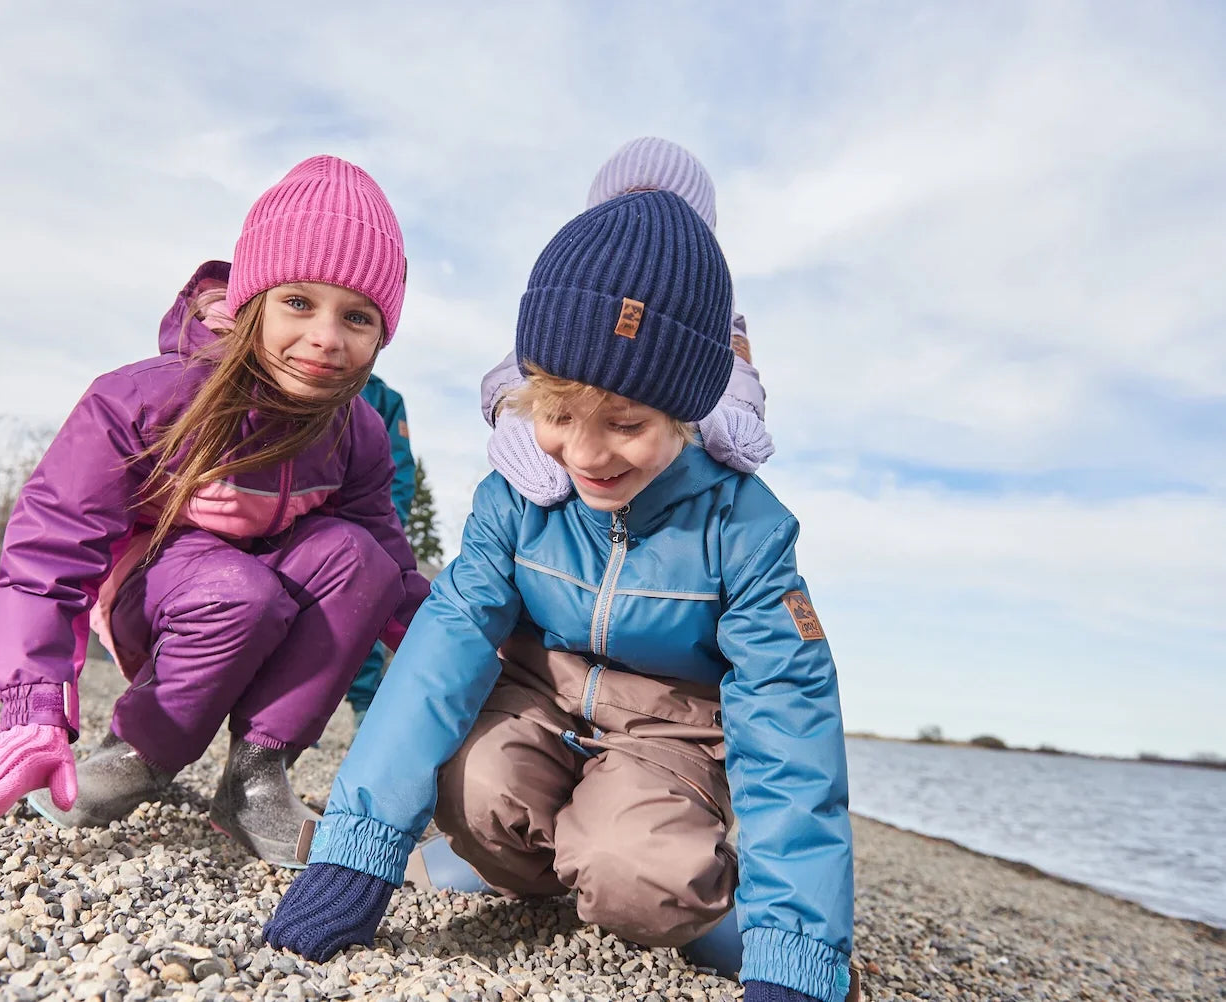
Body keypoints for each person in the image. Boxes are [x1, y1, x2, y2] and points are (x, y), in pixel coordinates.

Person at [265, 191, 856, 1002]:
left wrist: (797, 954)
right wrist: (354, 848)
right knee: (469, 791)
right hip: (541, 703)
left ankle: (706, 901)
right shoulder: (519, 498)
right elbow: (443, 647)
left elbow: (791, 731)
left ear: (687, 414)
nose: (585, 452)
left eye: (625, 423)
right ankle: (545, 872)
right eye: (558, 413)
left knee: (638, 878)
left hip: (665, 734)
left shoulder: (745, 530)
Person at [0, 156, 429, 867]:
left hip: (270, 603)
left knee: (361, 560)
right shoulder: (146, 401)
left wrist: (483, 667)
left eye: (356, 316)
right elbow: (50, 549)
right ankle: (139, 752)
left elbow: (394, 571)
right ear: (254, 298)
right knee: (241, 591)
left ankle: (257, 777)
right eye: (298, 302)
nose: (327, 336)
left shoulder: (358, 430)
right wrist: (33, 710)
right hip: (161, 599)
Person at [481, 137, 775, 507]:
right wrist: (516, 404)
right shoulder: (574, 288)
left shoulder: (708, 303)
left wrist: (734, 409)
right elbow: (534, 358)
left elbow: (731, 362)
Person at [345, 372, 416, 726]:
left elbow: (401, 469)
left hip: (370, 525)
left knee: (368, 615)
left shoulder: (385, 398)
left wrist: (390, 522)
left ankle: (365, 705)